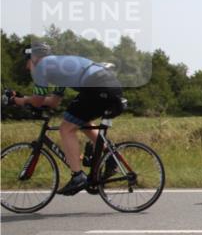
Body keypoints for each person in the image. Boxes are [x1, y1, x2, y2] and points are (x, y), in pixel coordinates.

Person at [10, 44, 124, 195]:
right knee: (80, 122)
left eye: (27, 61)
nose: (27, 67)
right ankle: (111, 158)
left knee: (66, 128)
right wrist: (24, 99)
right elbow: (53, 102)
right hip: (106, 84)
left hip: (96, 85)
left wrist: (18, 100)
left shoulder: (41, 66)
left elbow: (37, 101)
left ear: (34, 57)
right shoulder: (57, 67)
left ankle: (78, 176)